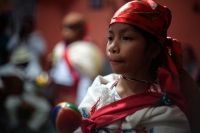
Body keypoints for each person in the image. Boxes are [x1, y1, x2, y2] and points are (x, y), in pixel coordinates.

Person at [76, 0, 200, 133]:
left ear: (154, 49)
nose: (112, 47)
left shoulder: (167, 115)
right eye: (110, 38)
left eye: (127, 38)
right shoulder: (98, 91)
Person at [49, 12, 104, 106]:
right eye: (63, 27)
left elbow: (88, 77)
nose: (65, 31)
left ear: (80, 30)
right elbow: (55, 68)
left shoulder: (88, 49)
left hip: (77, 94)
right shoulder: (60, 47)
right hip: (59, 91)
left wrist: (82, 102)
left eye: (70, 28)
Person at [0, 46, 51, 133]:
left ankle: (31, 127)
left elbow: (40, 83)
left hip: (30, 94)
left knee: (45, 108)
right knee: (9, 105)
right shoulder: (12, 66)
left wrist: (40, 84)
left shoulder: (35, 67)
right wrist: (2, 86)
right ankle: (14, 125)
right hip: (15, 95)